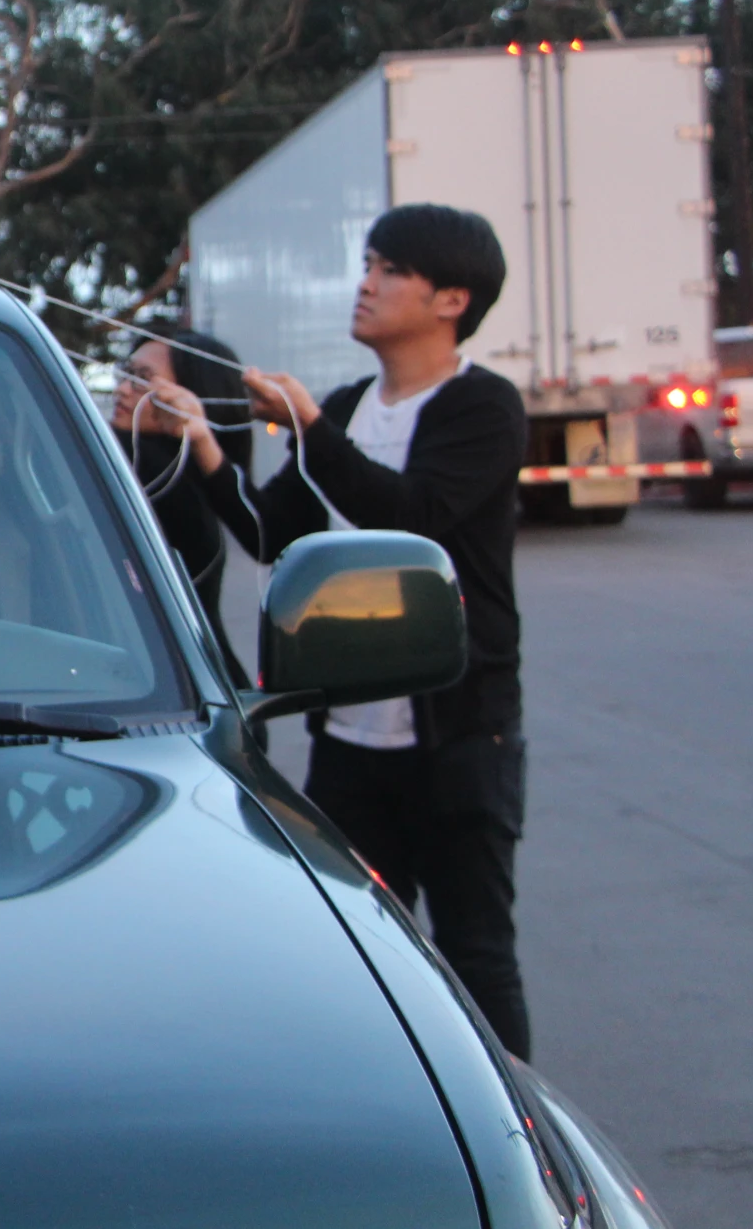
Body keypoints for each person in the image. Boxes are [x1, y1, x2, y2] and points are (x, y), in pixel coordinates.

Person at [144, 203, 530, 1059]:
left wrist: (311, 428)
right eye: (369, 263)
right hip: (352, 741)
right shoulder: (354, 406)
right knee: (368, 954)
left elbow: (414, 517)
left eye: (391, 270)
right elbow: (269, 536)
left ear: (451, 300)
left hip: (459, 738)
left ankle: (518, 1145)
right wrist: (203, 441)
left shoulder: (484, 407)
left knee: (475, 953)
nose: (367, 283)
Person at [110, 325, 249, 676]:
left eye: (142, 379)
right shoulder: (147, 469)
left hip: (185, 688)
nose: (123, 390)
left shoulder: (166, 477)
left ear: (192, 395)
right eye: (125, 374)